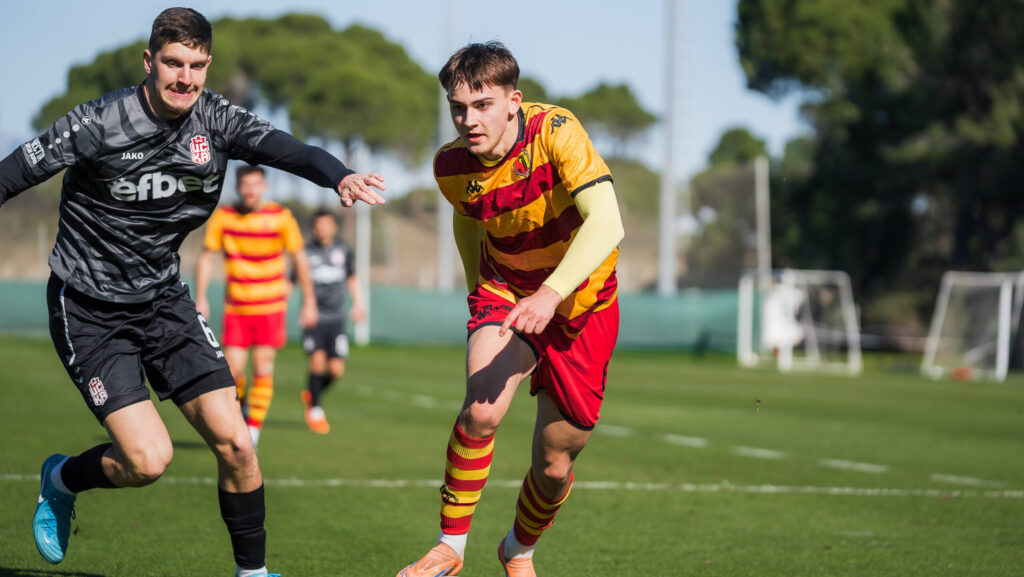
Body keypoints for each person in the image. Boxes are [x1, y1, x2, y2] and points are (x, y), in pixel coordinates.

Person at [0, 8, 385, 577]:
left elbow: (289, 149)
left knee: (236, 442)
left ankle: (251, 573)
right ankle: (61, 479)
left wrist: (338, 175)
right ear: (149, 62)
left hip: (163, 301)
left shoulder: (218, 119)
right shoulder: (98, 122)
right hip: (89, 309)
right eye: (174, 64)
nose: (185, 78)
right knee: (148, 461)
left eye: (197, 66)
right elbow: (13, 173)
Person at [396, 42, 624, 577]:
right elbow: (467, 213)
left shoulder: (555, 132)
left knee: (554, 463)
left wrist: (553, 294)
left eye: (482, 105)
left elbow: (608, 223)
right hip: (509, 292)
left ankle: (518, 549)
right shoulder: (450, 167)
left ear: (513, 101)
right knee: (482, 410)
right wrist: (479, 290)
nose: (468, 120)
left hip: (583, 305)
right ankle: (450, 546)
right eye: (457, 108)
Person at [195, 165, 317, 448]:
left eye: (255, 185)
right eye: (245, 185)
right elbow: (206, 258)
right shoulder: (224, 217)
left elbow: (300, 261)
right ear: (238, 187)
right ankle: (244, 414)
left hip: (271, 307)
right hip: (236, 307)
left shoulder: (281, 217)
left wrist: (309, 302)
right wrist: (200, 297)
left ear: (264, 187)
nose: (250, 190)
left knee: (263, 368)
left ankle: (252, 430)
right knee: (232, 373)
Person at [296, 208, 365, 434]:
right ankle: (315, 410)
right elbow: (290, 280)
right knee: (316, 362)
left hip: (336, 319)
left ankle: (312, 393)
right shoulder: (304, 252)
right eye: (318, 225)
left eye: (326, 224)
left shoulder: (343, 249)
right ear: (313, 228)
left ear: (334, 227)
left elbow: (351, 278)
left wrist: (357, 303)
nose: (322, 229)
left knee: (336, 370)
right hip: (314, 318)